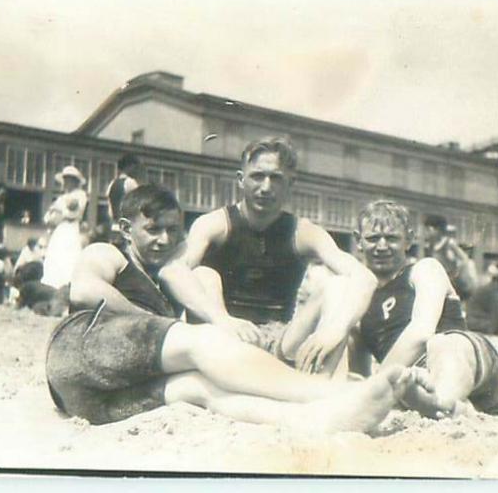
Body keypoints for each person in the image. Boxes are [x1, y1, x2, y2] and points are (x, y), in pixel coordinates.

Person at [50, 184, 415, 431]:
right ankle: (330, 393)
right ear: (127, 229)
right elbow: (84, 290)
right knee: (201, 340)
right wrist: (159, 324)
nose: (165, 239)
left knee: (204, 391)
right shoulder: (109, 253)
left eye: (173, 230)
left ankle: (317, 419)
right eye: (153, 229)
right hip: (80, 352)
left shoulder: (162, 281)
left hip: (98, 400)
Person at [158, 137, 378, 376]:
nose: (265, 187)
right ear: (241, 180)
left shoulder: (303, 232)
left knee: (338, 285)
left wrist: (335, 329)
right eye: (257, 176)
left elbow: (364, 278)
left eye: (276, 178)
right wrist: (223, 320)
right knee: (203, 274)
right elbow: (172, 271)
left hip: (280, 341)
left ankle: (324, 387)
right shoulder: (215, 224)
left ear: (290, 183)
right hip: (223, 335)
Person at [351, 200, 498, 418]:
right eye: (373, 238)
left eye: (392, 238)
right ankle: (445, 407)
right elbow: (358, 367)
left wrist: (376, 385)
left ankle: (442, 402)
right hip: (413, 382)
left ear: (409, 240)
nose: (382, 246)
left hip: (465, 364)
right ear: (358, 241)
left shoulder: (424, 270)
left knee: (441, 343)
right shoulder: (360, 296)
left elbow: (421, 332)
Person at [41, 165, 88, 289]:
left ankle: (68, 285)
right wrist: (55, 214)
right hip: (59, 229)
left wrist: (60, 212)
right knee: (55, 255)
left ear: (76, 181)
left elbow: (74, 213)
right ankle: (52, 286)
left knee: (70, 256)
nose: (67, 182)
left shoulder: (80, 195)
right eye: (66, 179)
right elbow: (48, 216)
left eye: (70, 179)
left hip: (71, 228)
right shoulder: (61, 198)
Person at [423, 214, 478, 300]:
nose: (426, 232)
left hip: (452, 284)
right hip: (437, 282)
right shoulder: (430, 246)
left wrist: (456, 273)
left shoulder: (449, 244)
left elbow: (465, 260)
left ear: (437, 230)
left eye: (429, 229)